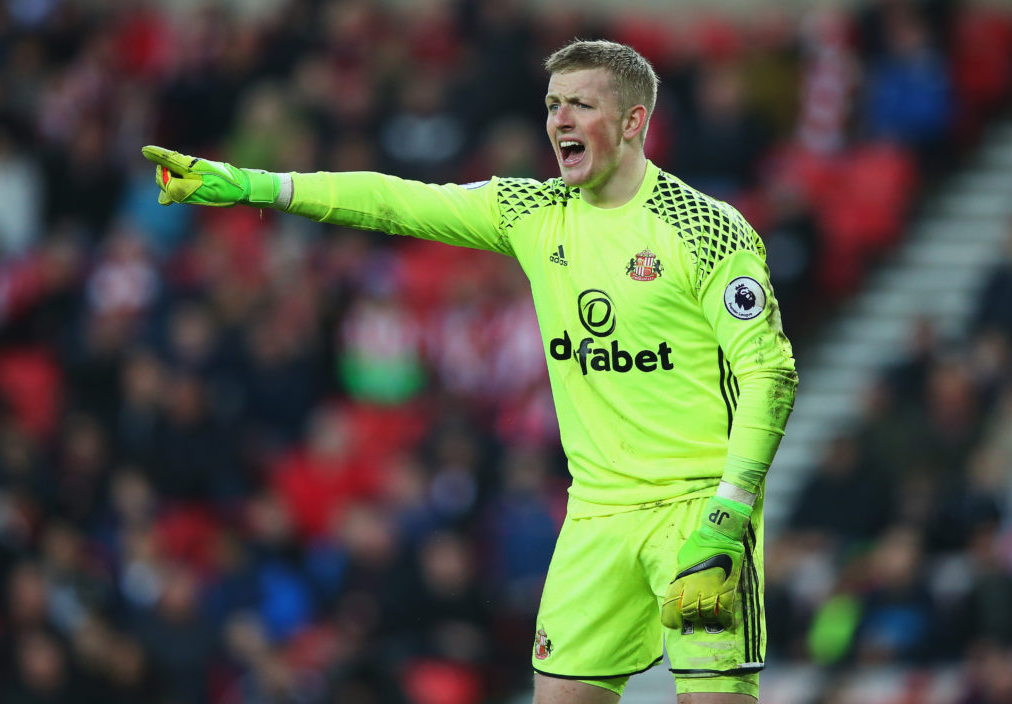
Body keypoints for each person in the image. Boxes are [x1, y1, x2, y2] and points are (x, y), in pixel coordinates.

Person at [143, 39, 797, 704]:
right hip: (598, 514)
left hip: (699, 509)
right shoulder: (534, 213)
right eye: (552, 106)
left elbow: (769, 373)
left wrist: (729, 512)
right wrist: (256, 185)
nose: (560, 122)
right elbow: (394, 202)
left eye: (582, 105)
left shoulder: (704, 228)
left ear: (633, 122)